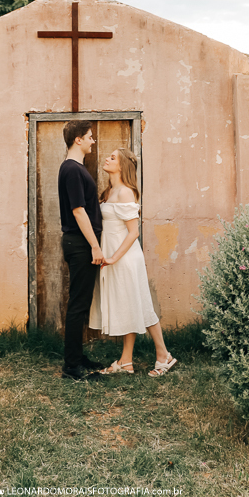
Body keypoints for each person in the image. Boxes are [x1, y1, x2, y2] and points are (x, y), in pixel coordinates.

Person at [89, 147, 177, 377]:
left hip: (125, 257)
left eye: (113, 157)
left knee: (141, 305)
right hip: (113, 257)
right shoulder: (110, 191)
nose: (107, 159)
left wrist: (113, 258)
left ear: (122, 166)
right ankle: (126, 361)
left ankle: (164, 355)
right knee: (130, 304)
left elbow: (133, 232)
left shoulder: (125, 192)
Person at [58, 120, 106, 381]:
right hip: (80, 244)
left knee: (81, 303)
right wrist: (95, 246)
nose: (92, 141)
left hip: (79, 243)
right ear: (77, 139)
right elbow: (78, 211)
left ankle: (77, 357)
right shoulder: (73, 169)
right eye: (89, 137)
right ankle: (71, 368)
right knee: (78, 305)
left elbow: (85, 205)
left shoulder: (75, 169)